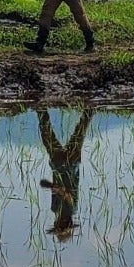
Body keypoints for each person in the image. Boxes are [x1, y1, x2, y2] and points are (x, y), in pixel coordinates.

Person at [35, 103, 94, 241]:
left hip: (58, 165)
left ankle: (40, 108)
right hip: (70, 165)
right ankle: (91, 106)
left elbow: (58, 192)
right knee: (79, 133)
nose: (58, 223)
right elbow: (67, 196)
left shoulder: (55, 209)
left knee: (47, 135)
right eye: (60, 225)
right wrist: (52, 186)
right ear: (67, 223)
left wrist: (53, 187)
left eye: (57, 225)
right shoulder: (71, 211)